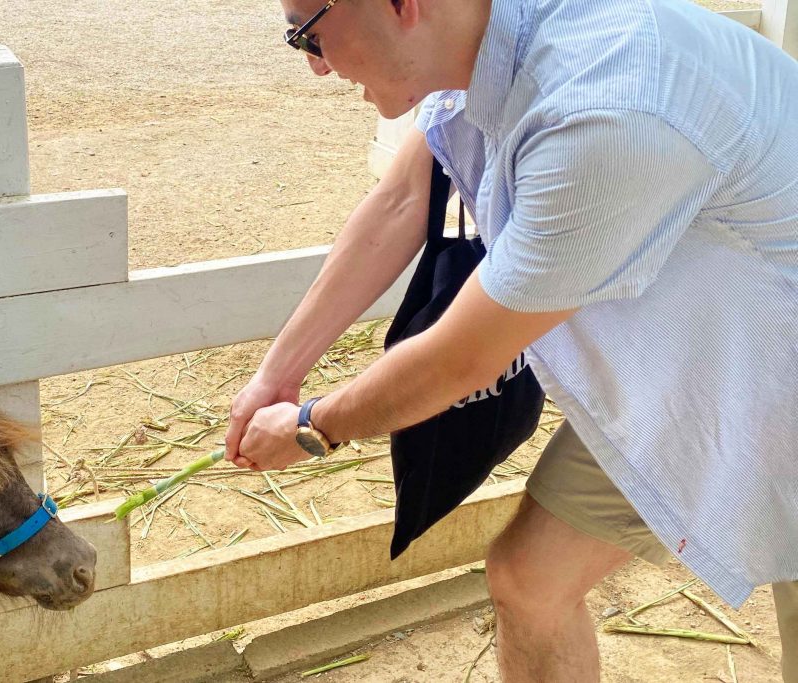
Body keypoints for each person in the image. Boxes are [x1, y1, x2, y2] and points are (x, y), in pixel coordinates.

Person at [224, 0, 798, 680]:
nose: (316, 65)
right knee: (530, 578)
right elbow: (404, 199)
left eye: (308, 35)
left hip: (770, 359)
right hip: (711, 357)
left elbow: (461, 358)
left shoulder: (604, 107)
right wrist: (276, 374)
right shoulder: (485, 42)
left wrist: (314, 427)